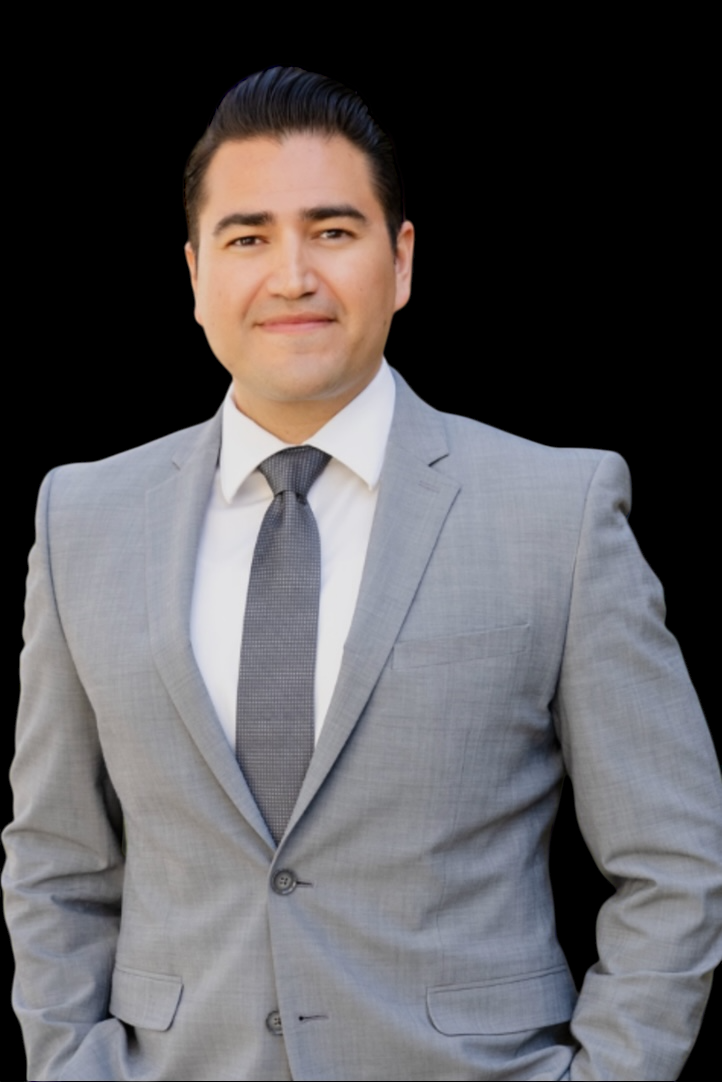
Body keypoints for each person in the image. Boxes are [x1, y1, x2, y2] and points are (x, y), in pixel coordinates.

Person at [3, 66, 721, 1082]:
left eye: (331, 231)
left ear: (401, 260)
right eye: (246, 237)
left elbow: (669, 862)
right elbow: (57, 858)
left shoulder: (554, 512)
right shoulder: (83, 520)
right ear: (193, 274)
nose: (290, 274)